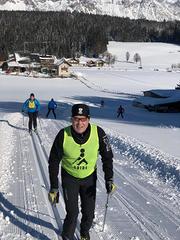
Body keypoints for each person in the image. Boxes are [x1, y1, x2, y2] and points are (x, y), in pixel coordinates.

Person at [48, 104, 115, 240]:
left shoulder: (99, 133)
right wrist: (54, 187)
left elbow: (107, 157)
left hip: (89, 178)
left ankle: (84, 233)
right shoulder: (63, 135)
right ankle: (67, 236)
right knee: (72, 213)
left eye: (83, 119)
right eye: (76, 119)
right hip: (69, 177)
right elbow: (54, 162)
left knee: (89, 213)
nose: (80, 123)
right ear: (71, 119)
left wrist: (109, 179)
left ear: (88, 119)